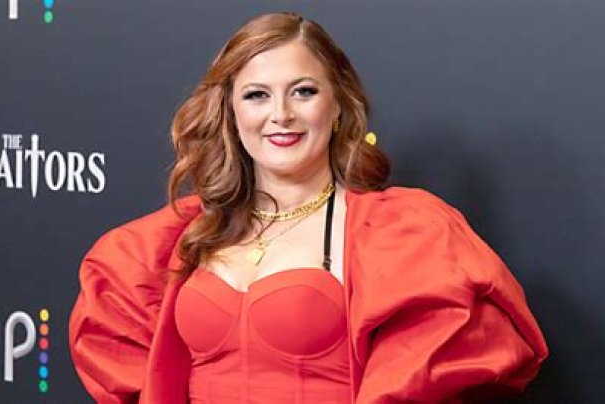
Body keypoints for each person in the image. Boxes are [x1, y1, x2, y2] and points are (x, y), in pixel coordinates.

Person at [68, 12, 548, 403]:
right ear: (232, 112)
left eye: (303, 91)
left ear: (337, 105)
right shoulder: (178, 238)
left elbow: (426, 371)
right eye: (257, 95)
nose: (281, 114)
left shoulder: (399, 233)